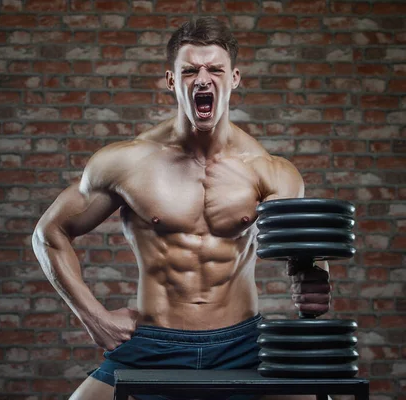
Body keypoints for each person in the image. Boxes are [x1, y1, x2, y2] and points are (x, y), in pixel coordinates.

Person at [32, 17, 331, 400]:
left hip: (245, 346)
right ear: (172, 81)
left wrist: (317, 277)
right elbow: (50, 234)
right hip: (151, 347)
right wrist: (94, 318)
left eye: (215, 69)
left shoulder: (270, 171)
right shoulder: (128, 162)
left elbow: (305, 250)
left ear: (234, 78)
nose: (203, 79)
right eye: (190, 70)